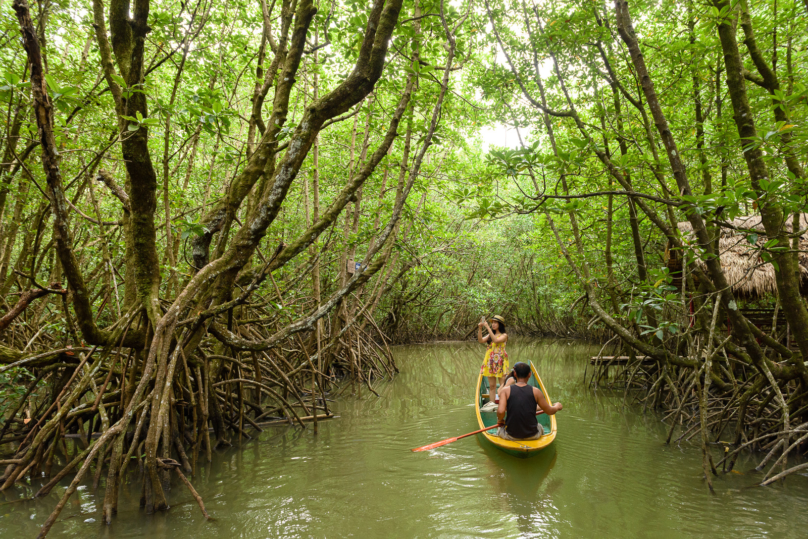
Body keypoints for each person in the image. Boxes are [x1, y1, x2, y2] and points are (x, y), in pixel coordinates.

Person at [496, 362, 563, 441]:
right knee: (540, 426)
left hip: (510, 435)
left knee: (500, 429)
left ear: (515, 373)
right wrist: (557, 406)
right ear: (530, 374)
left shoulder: (505, 391)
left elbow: (501, 412)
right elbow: (549, 411)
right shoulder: (536, 391)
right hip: (533, 435)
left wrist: (500, 420)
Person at [478, 315, 508, 404]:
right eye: (492, 323)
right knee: (492, 386)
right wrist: (480, 329)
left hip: (500, 362)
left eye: (495, 323)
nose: (493, 324)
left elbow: (495, 340)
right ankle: (492, 404)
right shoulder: (490, 334)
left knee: (503, 386)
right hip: (490, 362)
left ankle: (503, 404)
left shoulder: (504, 335)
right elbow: (480, 340)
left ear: (500, 324)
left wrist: (487, 327)